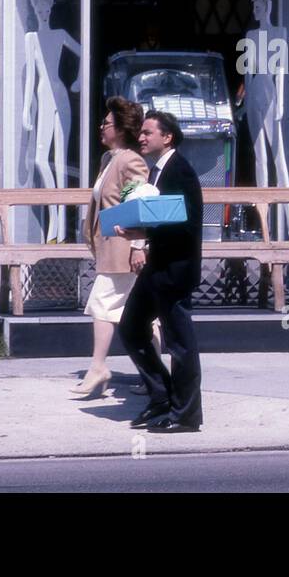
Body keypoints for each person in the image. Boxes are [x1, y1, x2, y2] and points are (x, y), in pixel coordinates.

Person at [115, 110, 205, 433]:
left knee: (180, 344)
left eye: (148, 132)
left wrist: (141, 234)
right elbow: (162, 217)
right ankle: (161, 397)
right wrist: (139, 231)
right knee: (130, 327)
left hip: (174, 270)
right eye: (141, 132)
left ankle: (187, 415)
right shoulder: (156, 172)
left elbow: (188, 224)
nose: (141, 137)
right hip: (157, 268)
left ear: (167, 137)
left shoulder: (179, 171)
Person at [72, 97, 152, 399]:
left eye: (106, 123)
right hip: (109, 248)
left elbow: (138, 204)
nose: (100, 127)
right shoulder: (109, 160)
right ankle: (153, 373)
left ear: (120, 128)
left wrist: (138, 246)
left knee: (103, 304)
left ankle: (98, 368)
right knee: (143, 316)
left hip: (124, 248)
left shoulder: (130, 160)